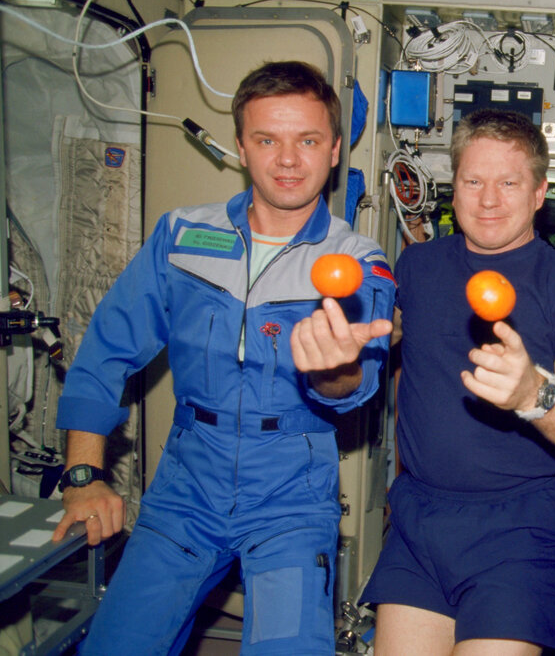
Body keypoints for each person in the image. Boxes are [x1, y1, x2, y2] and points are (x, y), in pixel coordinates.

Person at [51, 61, 395, 654]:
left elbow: (354, 383)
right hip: (185, 486)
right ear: (240, 147)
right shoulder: (182, 237)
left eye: (308, 140)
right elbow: (107, 349)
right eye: (267, 139)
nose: (288, 160)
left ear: (335, 149)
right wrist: (83, 474)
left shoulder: (357, 259)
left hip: (291, 489)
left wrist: (334, 367)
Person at [361, 108, 555, 655]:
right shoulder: (417, 267)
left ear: (538, 193)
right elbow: (386, 348)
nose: (488, 199)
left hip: (519, 529)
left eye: (508, 183)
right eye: (473, 181)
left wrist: (534, 393)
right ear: (452, 189)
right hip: (419, 519)